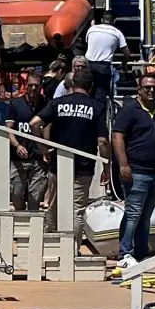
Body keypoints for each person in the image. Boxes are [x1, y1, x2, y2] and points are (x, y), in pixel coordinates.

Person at [30, 66, 109, 241]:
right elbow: (102, 141)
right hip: (84, 166)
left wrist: (42, 147)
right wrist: (107, 166)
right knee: (77, 210)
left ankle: (50, 242)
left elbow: (34, 123)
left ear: (72, 84)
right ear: (91, 86)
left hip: (58, 164)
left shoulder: (58, 103)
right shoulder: (96, 107)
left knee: (53, 206)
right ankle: (72, 248)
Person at [111, 72, 155, 269]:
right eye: (147, 87)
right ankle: (125, 253)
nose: (151, 91)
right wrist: (123, 164)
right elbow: (117, 136)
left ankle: (140, 253)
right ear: (139, 89)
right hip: (137, 170)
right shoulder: (130, 110)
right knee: (133, 213)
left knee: (146, 215)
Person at [5, 72, 48, 211]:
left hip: (38, 158)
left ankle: (33, 228)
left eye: (36, 86)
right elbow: (8, 130)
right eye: (30, 85)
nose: (33, 89)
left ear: (40, 86)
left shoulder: (46, 104)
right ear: (26, 86)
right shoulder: (16, 104)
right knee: (16, 195)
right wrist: (17, 145)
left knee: (35, 197)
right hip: (18, 159)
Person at [84, 11, 131, 103]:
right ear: (114, 21)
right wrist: (124, 64)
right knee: (101, 94)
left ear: (102, 20)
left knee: (87, 91)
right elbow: (127, 53)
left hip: (88, 64)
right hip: (103, 66)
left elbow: (88, 44)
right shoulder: (117, 33)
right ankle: (100, 114)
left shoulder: (92, 29)